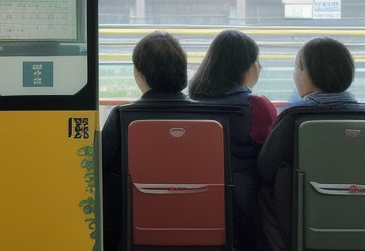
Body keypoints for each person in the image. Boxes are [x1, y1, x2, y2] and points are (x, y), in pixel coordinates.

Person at [258, 37, 362, 251]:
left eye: (297, 67)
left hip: (303, 224)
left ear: (310, 75)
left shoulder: (293, 119)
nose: (294, 74)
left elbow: (265, 167)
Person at [188, 29, 277, 251]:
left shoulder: (189, 107)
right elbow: (271, 159)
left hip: (195, 200)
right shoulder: (257, 107)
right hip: (245, 207)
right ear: (246, 67)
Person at [102, 31, 189, 251]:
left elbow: (99, 166)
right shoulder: (211, 117)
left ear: (139, 73)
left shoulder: (122, 117)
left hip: (132, 231)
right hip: (196, 225)